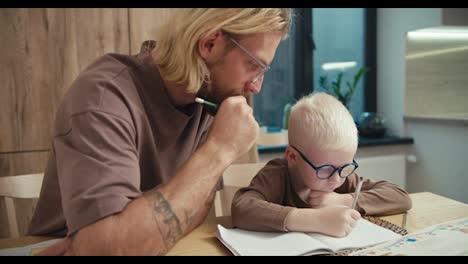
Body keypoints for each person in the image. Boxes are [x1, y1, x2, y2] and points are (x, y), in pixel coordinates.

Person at [28, 8, 292, 255]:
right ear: (210, 44)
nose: (256, 87)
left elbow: (198, 208)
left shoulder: (208, 100)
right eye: (254, 65)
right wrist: (219, 150)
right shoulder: (103, 96)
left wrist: (131, 237)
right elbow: (105, 250)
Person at [231, 92, 412, 238]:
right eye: (325, 169)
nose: (336, 180)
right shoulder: (277, 174)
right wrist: (314, 219)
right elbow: (241, 208)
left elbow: (400, 197)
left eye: (345, 167)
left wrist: (343, 200)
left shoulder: (341, 175)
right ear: (293, 157)